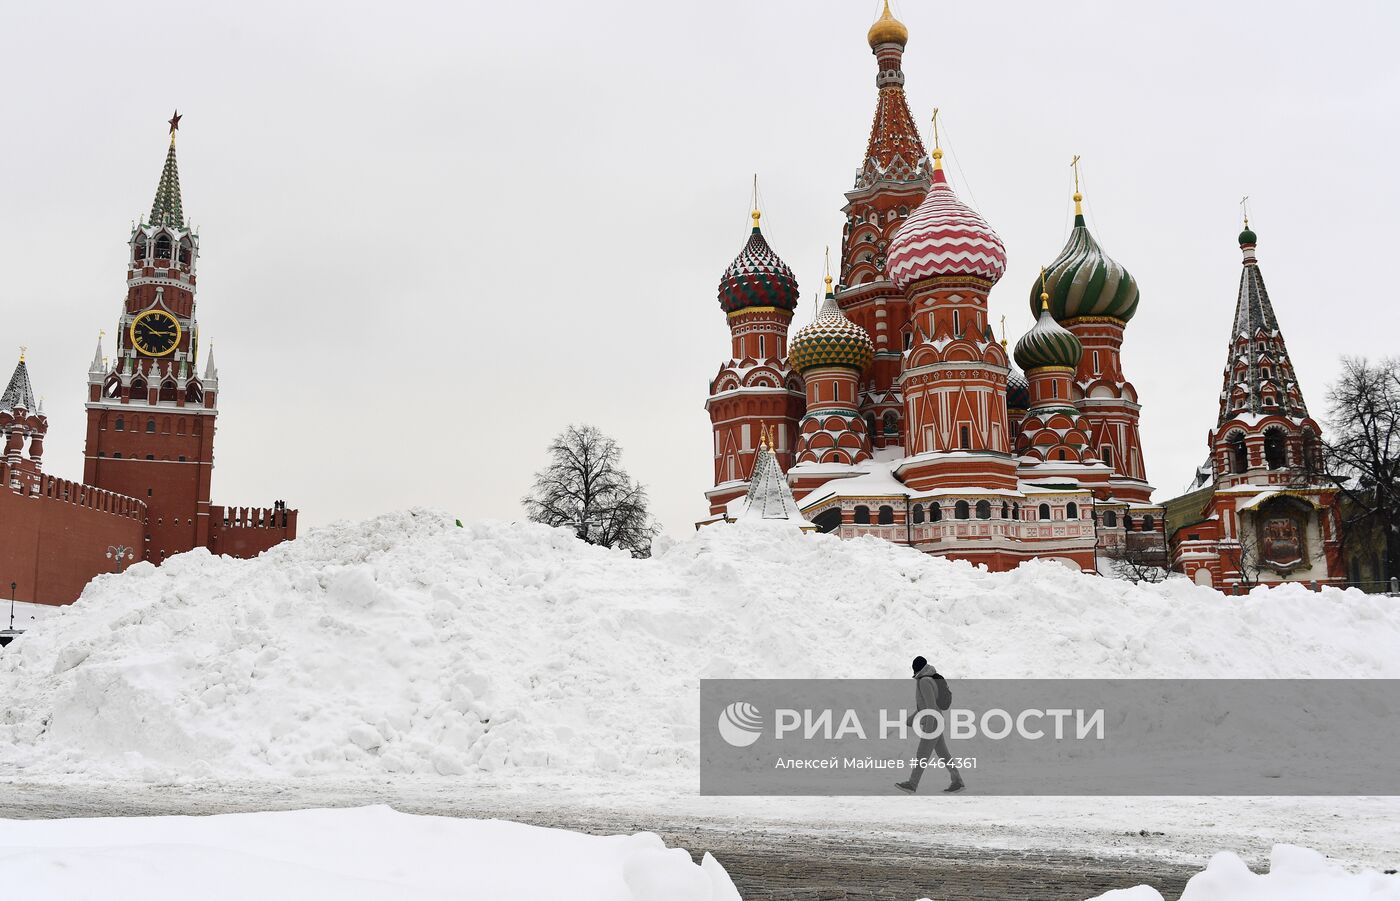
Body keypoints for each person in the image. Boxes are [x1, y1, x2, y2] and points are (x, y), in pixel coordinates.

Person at [895, 655, 965, 794]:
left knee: (922, 754)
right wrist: (912, 718)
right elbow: (926, 704)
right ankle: (957, 781)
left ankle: (912, 784)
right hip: (935, 721)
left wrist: (928, 729)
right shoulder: (929, 678)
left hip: (932, 723)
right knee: (944, 754)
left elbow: (931, 707)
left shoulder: (924, 682)